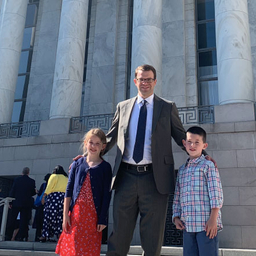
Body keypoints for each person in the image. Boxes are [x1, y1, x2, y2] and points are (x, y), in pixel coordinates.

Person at [55, 128, 112, 256]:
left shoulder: (105, 167)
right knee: (72, 248)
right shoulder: (77, 163)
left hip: (93, 217)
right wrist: (65, 215)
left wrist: (103, 219)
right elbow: (69, 190)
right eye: (91, 142)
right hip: (75, 216)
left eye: (98, 143)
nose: (93, 146)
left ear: (103, 146)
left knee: (89, 250)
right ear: (85, 143)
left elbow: (106, 195)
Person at [172, 126, 223, 256]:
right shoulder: (182, 170)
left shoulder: (208, 166)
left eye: (197, 142)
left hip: (206, 225)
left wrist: (213, 219)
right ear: (184, 143)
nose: (192, 145)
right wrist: (176, 216)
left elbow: (216, 193)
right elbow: (177, 196)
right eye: (189, 141)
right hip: (187, 225)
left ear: (204, 145)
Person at [39, 165, 68, 242]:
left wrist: (44, 196)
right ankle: (59, 234)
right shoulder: (66, 178)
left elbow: (49, 187)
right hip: (63, 198)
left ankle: (45, 235)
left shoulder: (54, 176)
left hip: (53, 197)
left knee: (48, 216)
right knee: (60, 216)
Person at [6, 167, 36, 241]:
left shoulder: (17, 180)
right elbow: (32, 192)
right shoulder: (32, 181)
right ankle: (21, 236)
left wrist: (10, 202)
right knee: (24, 220)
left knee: (12, 219)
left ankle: (8, 235)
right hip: (26, 203)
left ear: (22, 173)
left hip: (17, 202)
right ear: (28, 173)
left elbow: (13, 190)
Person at [33, 173, 51, 241]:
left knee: (39, 223)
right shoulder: (51, 185)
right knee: (45, 221)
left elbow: (40, 194)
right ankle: (45, 236)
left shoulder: (43, 185)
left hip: (40, 206)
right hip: (48, 205)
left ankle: (38, 236)